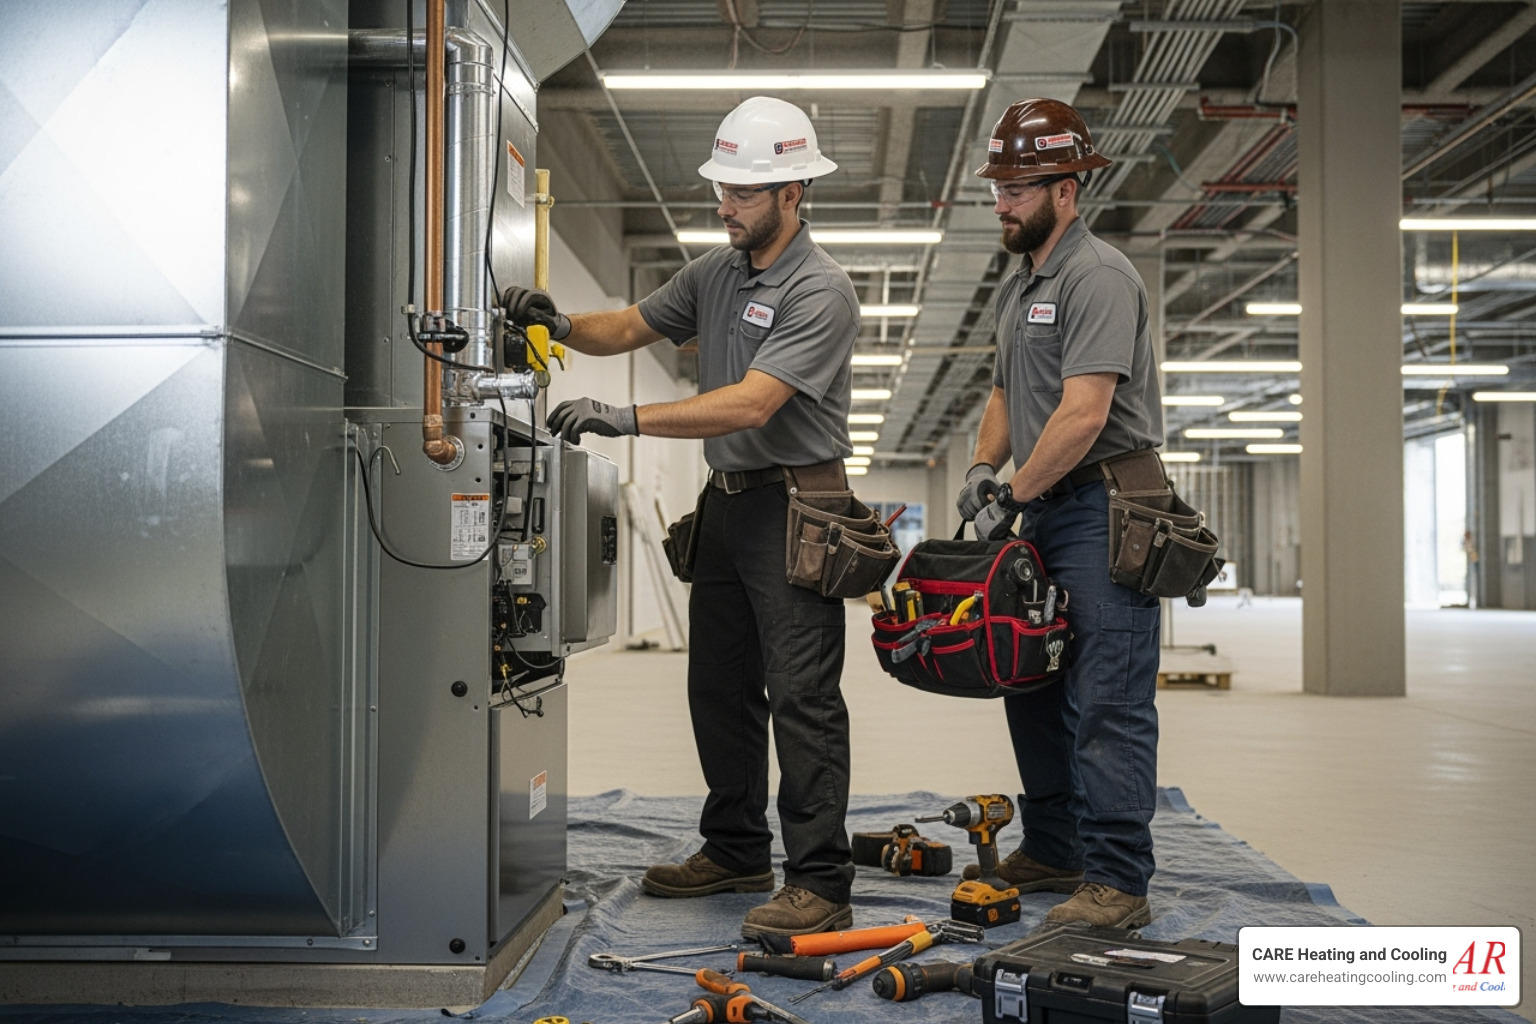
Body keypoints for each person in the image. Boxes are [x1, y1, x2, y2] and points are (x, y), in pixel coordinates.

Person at [502, 96, 860, 939]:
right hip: (728, 507)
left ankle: (822, 879)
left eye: (742, 191)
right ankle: (736, 848)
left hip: (798, 506)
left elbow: (751, 403)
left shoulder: (822, 290)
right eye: (723, 188)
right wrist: (556, 321)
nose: (724, 204)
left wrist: (626, 419)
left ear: (791, 193)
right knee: (719, 690)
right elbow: (626, 324)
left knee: (802, 697)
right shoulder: (716, 273)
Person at [957, 97, 1165, 929]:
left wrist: (1013, 494)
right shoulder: (1024, 286)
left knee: (1106, 696)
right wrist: (982, 465)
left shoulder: (1099, 275)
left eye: (1018, 187)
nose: (1001, 202)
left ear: (1068, 187)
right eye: (998, 187)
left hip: (1107, 505)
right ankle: (1054, 846)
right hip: (1047, 507)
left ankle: (1118, 879)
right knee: (1029, 677)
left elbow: (1082, 414)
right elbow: (1010, 390)